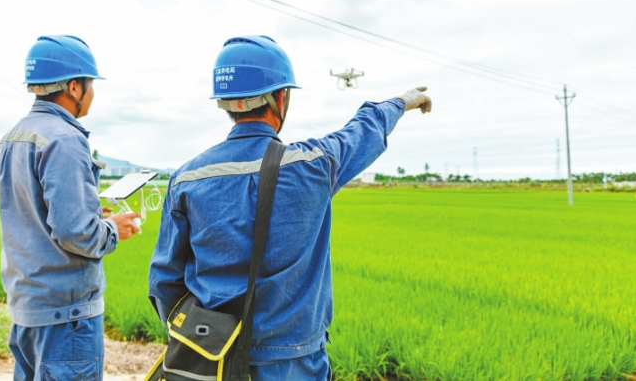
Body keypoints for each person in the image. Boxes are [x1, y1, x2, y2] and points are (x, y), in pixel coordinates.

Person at [148, 35, 432, 380]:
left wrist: (195, 336)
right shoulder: (313, 164)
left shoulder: (187, 178)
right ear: (281, 97)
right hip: (294, 362)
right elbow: (363, 130)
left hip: (211, 357)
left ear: (224, 101)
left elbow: (164, 280)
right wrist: (399, 102)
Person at [0, 35, 140, 381]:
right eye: (90, 85)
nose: (91, 94)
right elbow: (75, 232)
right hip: (66, 317)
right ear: (74, 87)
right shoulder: (65, 138)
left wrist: (91, 216)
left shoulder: (13, 136)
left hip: (28, 309)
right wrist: (112, 230)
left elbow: (35, 217)